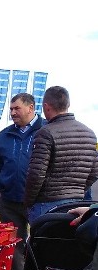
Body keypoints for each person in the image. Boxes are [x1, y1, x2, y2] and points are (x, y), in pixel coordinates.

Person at [0, 93, 45, 270]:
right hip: (10, 200)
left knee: (41, 242)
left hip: (39, 200)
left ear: (31, 107)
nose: (12, 113)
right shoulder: (4, 135)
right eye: (11, 109)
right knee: (15, 243)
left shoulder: (46, 131)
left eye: (16, 108)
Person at [24, 86, 98, 223]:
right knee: (68, 243)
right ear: (68, 105)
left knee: (44, 243)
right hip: (76, 203)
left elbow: (36, 173)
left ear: (46, 107)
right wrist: (79, 190)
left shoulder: (45, 132)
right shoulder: (90, 134)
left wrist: (28, 201)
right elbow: (94, 172)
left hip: (47, 203)